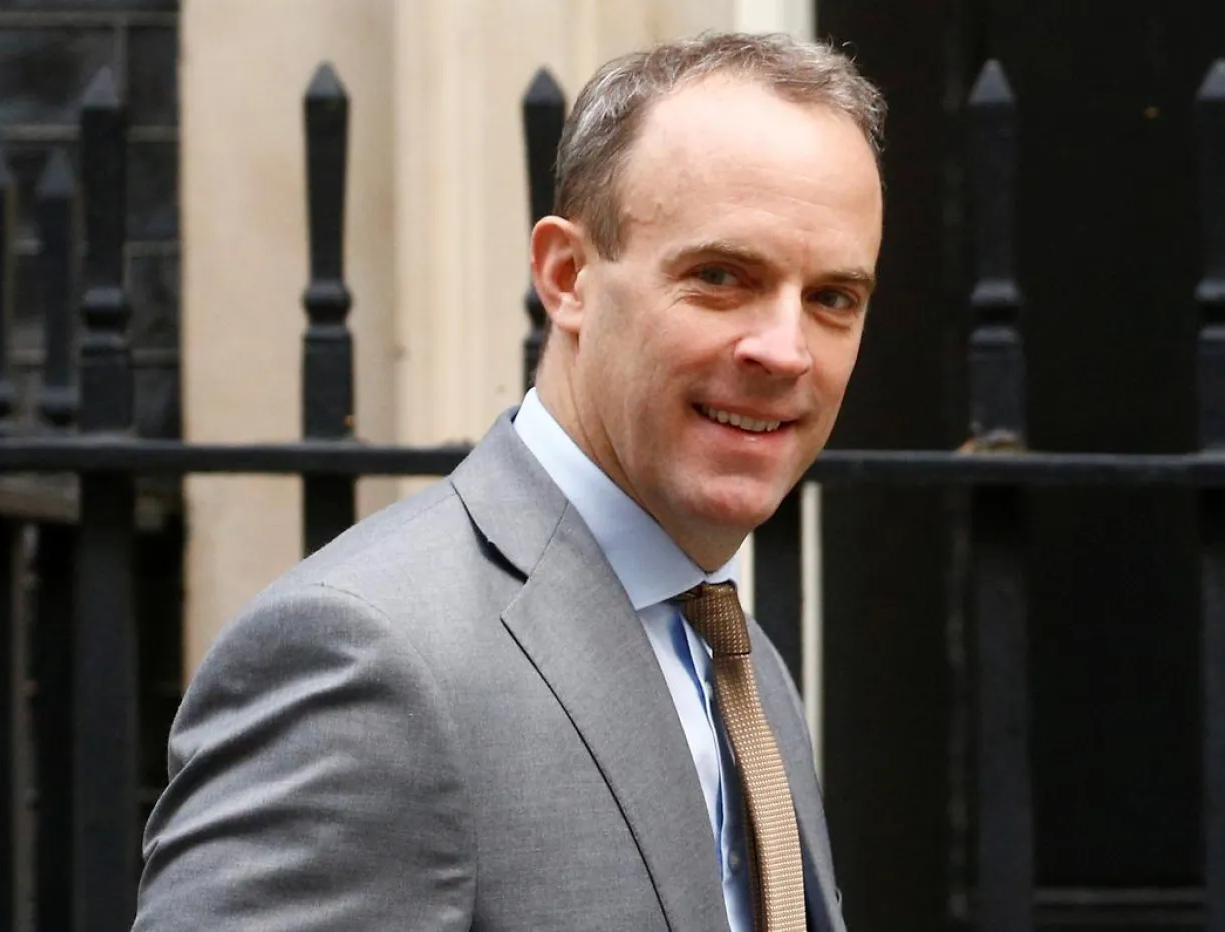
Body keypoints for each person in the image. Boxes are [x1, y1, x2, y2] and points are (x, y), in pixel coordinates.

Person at [134, 30, 884, 932]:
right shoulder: (366, 658)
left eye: (832, 298)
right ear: (567, 278)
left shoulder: (741, 660)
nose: (785, 351)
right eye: (721, 277)